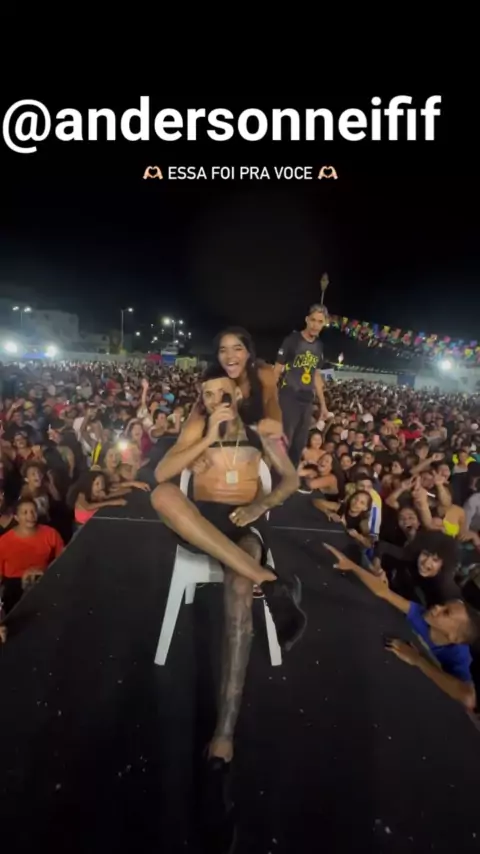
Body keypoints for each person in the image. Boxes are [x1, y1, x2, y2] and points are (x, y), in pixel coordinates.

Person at [151, 364, 304, 770]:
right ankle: (269, 581)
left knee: (238, 588)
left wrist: (260, 505)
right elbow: (162, 474)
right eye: (208, 394)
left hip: (244, 525)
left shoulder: (258, 433)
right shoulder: (197, 431)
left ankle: (224, 732)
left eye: (223, 392)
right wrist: (204, 442)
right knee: (163, 496)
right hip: (200, 525)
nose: (216, 399)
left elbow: (291, 480)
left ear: (237, 394)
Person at [323, 543, 477, 713]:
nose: (436, 607)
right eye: (443, 605)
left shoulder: (459, 656)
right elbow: (383, 592)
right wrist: (351, 566)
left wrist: (418, 660)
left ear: (454, 637)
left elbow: (468, 697)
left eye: (446, 613)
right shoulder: (422, 614)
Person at [274, 304, 329, 466]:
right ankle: (276, 474)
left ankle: (291, 475)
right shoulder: (292, 340)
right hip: (289, 395)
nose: (315, 325)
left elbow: (316, 375)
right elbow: (276, 370)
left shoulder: (319, 346)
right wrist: (270, 397)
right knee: (285, 440)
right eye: (313, 320)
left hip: (307, 399)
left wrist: (323, 405)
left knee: (299, 444)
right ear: (306, 320)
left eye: (320, 322)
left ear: (324, 324)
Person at [0, 498, 64, 614]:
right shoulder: (3, 542)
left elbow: (63, 562)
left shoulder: (51, 534)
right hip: (14, 585)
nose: (30, 516)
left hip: (43, 578)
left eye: (33, 511)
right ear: (16, 517)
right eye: (25, 513)